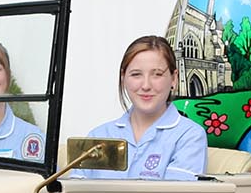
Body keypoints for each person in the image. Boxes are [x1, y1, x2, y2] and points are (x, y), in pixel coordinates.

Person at [75, 36, 207, 180]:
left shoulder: (190, 136)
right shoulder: (99, 135)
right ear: (123, 78)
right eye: (136, 74)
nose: (145, 85)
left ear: (174, 79)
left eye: (157, 74)